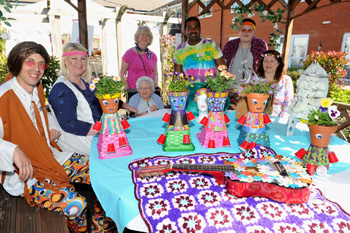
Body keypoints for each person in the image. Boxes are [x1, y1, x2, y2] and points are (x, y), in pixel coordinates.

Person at [0, 41, 117, 232]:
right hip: (25, 176)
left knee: (102, 171)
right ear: (17, 62)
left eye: (41, 64)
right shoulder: (4, 96)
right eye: (30, 62)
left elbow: (44, 112)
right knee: (76, 205)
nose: (36, 69)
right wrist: (12, 150)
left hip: (51, 158)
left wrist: (52, 125)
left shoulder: (36, 88)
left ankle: (100, 225)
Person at [49, 42, 136, 155]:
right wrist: (105, 129)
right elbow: (68, 123)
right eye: (74, 58)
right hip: (80, 142)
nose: (79, 63)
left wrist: (128, 107)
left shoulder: (85, 83)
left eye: (83, 59)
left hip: (97, 134)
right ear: (65, 62)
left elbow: (104, 100)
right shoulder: (61, 88)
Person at [174, 17, 225, 81]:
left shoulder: (211, 45)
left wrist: (220, 88)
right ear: (185, 31)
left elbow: (223, 70)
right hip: (190, 89)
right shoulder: (180, 50)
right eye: (189, 28)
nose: (193, 30)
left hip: (210, 89)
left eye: (196, 27)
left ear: (200, 30)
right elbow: (177, 75)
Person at [223, 18, 268, 88]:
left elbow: (265, 65)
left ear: (254, 32)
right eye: (243, 29)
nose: (246, 32)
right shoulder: (230, 45)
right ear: (239, 31)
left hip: (251, 91)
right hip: (230, 90)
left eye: (249, 30)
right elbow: (223, 66)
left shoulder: (260, 45)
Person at [120, 25, 159, 98]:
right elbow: (123, 73)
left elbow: (155, 74)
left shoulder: (153, 55)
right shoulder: (129, 53)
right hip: (133, 90)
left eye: (147, 35)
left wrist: (155, 84)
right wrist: (126, 86)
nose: (145, 37)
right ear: (137, 37)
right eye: (142, 35)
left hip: (149, 91)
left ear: (150, 39)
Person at [257, 50, 294, 118]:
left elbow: (288, 105)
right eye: (265, 61)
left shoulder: (286, 80)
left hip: (277, 119)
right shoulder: (255, 79)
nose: (268, 64)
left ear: (278, 63)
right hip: (257, 117)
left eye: (272, 61)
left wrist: (281, 121)